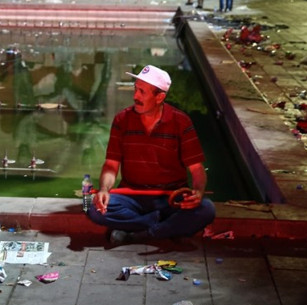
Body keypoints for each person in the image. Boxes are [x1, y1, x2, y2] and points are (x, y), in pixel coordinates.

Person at [86, 65, 216, 244]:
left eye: (142, 92)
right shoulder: (122, 119)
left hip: (170, 198)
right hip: (130, 195)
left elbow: (197, 170)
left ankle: (137, 231)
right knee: (93, 208)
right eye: (135, 89)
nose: (135, 96)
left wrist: (198, 193)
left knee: (206, 209)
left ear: (160, 97)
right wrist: (103, 190)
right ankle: (156, 228)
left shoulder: (181, 122)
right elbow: (111, 165)